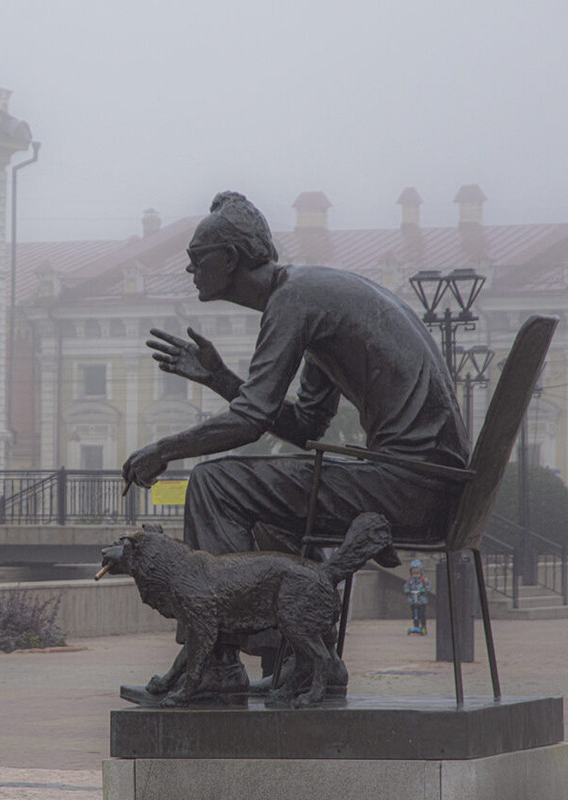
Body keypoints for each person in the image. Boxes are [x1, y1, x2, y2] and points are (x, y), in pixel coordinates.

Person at [122, 191, 469, 694]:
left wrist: (164, 449)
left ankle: (218, 666)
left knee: (215, 482)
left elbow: (252, 420)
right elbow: (305, 424)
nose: (189, 270)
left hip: (412, 487)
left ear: (232, 258)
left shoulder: (295, 299)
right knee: (256, 502)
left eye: (197, 259)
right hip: (425, 484)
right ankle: (301, 658)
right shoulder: (313, 295)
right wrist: (221, 378)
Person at [404, 559, 433, 635]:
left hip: (422, 600)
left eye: (417, 573)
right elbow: (406, 586)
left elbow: (428, 586)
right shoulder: (410, 580)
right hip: (413, 600)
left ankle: (423, 626)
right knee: (414, 614)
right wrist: (407, 590)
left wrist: (425, 590)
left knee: (422, 613)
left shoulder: (424, 580)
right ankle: (416, 625)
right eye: (414, 573)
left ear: (421, 572)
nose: (416, 575)